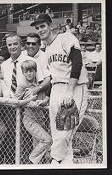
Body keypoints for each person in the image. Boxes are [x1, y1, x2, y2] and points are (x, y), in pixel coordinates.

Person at [31, 13, 88, 164]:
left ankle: (54, 161)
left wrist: (69, 90)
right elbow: (53, 76)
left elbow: (77, 63)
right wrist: (48, 97)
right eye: (37, 28)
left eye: (42, 26)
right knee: (58, 134)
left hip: (74, 87)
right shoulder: (46, 48)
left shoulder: (66, 38)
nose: (40, 30)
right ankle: (64, 166)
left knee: (66, 132)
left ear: (51, 25)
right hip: (56, 89)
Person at [14, 60, 52, 164]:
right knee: (47, 140)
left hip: (41, 119)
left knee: (39, 145)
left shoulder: (39, 84)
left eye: (31, 71)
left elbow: (50, 82)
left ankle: (35, 166)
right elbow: (15, 102)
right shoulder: (22, 85)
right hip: (30, 119)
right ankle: (30, 161)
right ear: (23, 73)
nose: (29, 73)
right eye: (26, 71)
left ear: (35, 71)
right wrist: (28, 102)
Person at [1, 33, 50, 97]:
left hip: (27, 101)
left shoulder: (32, 61)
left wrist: (36, 89)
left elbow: (43, 80)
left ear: (21, 45)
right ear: (7, 46)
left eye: (15, 44)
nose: (12, 47)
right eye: (10, 45)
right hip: (9, 102)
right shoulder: (4, 65)